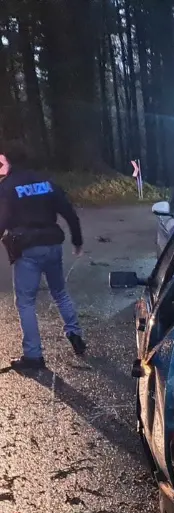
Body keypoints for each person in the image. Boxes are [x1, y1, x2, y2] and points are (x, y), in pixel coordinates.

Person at [0, 147, 87, 371]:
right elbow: (69, 212)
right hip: (52, 244)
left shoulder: (7, 187)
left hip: (27, 248)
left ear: (9, 162)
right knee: (60, 292)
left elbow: (2, 220)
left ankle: (33, 355)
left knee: (26, 301)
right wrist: (77, 240)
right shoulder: (47, 182)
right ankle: (75, 334)